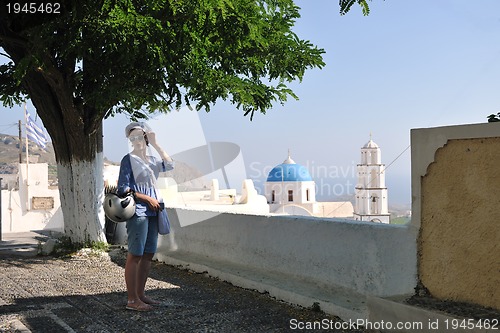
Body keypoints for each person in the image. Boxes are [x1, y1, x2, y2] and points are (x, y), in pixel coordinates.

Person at [117, 122, 174, 312]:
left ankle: (141, 295)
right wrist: (146, 198)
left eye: (140, 137)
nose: (136, 141)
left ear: (146, 137)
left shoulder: (150, 160)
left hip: (154, 211)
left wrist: (156, 144)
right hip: (139, 211)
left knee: (148, 254)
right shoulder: (128, 159)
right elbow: (122, 188)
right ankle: (132, 300)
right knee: (136, 254)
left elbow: (169, 164)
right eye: (132, 138)